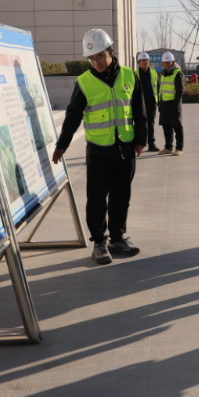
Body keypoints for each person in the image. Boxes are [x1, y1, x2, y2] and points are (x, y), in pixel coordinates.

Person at [52, 29, 147, 264]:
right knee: (97, 198)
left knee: (121, 196)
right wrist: (62, 144)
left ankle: (118, 239)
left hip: (125, 147)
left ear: (110, 52)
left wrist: (141, 139)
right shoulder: (84, 82)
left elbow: (139, 110)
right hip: (99, 149)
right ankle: (99, 243)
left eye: (100, 57)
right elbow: (73, 116)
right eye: (91, 59)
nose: (96, 63)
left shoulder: (129, 76)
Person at [157, 52, 184, 155]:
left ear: (172, 62)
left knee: (177, 127)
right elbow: (161, 89)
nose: (166, 64)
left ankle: (179, 148)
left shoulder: (177, 73)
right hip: (164, 103)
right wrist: (160, 103)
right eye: (164, 63)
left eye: (168, 62)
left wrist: (175, 104)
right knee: (166, 126)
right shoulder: (163, 73)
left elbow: (180, 90)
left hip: (174, 104)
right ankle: (168, 147)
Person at [135, 52, 160, 153]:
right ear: (139, 62)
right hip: (139, 103)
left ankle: (151, 144)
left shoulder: (153, 73)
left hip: (151, 102)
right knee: (139, 124)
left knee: (151, 124)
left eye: (147, 60)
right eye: (143, 61)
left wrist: (158, 102)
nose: (145, 62)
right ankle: (138, 144)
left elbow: (158, 87)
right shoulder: (134, 74)